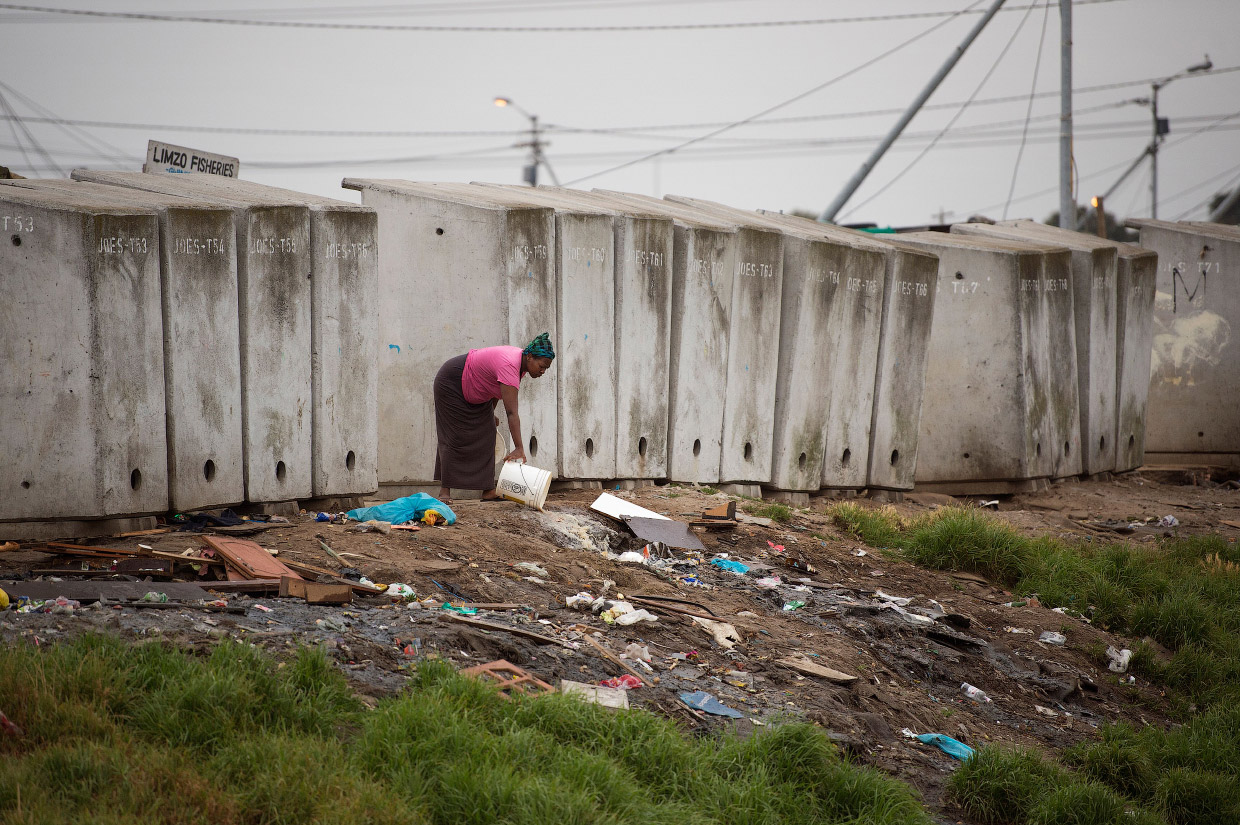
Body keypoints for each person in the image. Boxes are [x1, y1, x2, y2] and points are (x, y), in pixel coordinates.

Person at [433, 333, 554, 503]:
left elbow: (495, 387)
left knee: (489, 430)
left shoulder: (521, 366)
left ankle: (488, 490)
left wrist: (489, 414)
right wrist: (519, 447)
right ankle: (444, 492)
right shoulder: (510, 364)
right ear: (530, 356)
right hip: (452, 382)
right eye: (541, 366)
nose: (543, 371)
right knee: (453, 435)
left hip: (474, 387)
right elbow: (512, 413)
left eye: (546, 368)